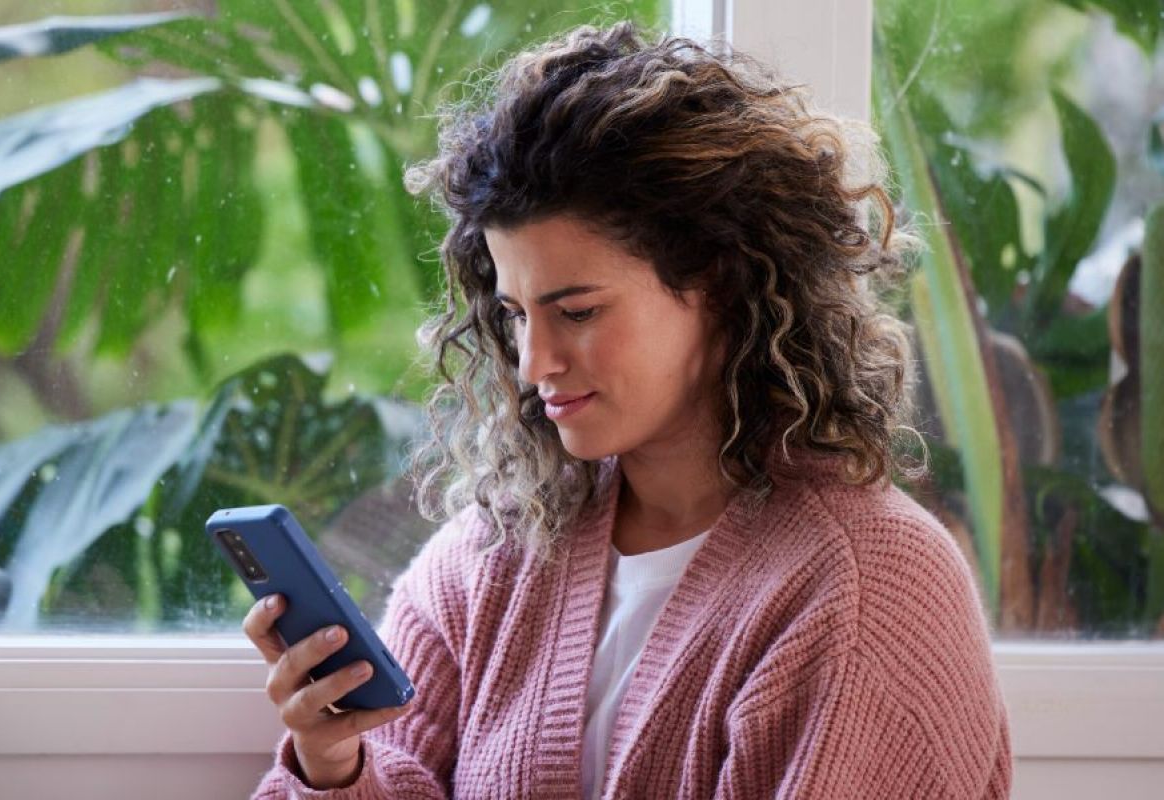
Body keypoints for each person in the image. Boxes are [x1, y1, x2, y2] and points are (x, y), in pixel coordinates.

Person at [243, 21, 1013, 799]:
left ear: (718, 284)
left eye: (575, 311)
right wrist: (335, 765)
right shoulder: (498, 552)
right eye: (514, 314)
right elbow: (397, 767)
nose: (533, 361)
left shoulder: (863, 589)